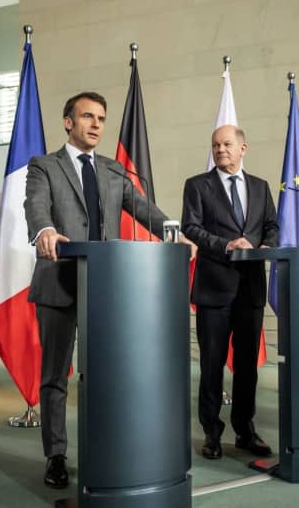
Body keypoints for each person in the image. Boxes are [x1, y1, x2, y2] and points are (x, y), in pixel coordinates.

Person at [24, 91, 194, 488]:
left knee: (105, 374)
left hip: (108, 289)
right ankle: (56, 455)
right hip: (59, 283)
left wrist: (175, 233)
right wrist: (45, 230)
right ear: (69, 122)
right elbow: (36, 206)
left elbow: (144, 209)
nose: (97, 124)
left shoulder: (115, 170)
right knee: (55, 375)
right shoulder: (44, 166)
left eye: (101, 117)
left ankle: (106, 448)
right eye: (87, 117)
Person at [181, 125, 279, 460]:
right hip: (213, 289)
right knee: (211, 365)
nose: (220, 149)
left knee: (248, 366)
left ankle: (245, 430)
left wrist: (267, 245)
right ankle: (211, 432)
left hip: (250, 289)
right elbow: (191, 227)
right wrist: (226, 245)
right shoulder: (197, 185)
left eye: (226, 144)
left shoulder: (261, 187)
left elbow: (272, 225)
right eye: (215, 145)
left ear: (243, 148)